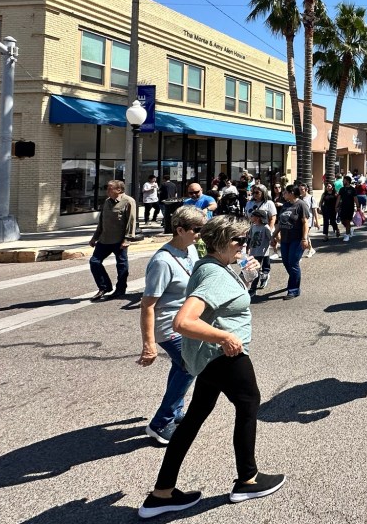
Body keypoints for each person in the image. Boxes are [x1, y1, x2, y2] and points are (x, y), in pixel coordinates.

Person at [138, 216, 285, 520]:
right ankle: (248, 479)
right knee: (247, 406)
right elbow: (183, 321)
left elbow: (222, 301)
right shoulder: (214, 273)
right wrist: (225, 336)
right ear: (222, 242)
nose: (243, 246)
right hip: (224, 354)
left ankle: (162, 492)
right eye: (239, 241)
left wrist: (244, 278)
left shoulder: (211, 266)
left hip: (207, 357)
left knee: (193, 418)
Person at [138, 205, 203, 445]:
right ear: (179, 229)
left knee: (181, 368)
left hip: (187, 322)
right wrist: (149, 345)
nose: (199, 234)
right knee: (191, 366)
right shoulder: (162, 262)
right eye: (196, 229)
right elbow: (147, 305)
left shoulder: (190, 249)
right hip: (169, 327)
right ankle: (159, 423)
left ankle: (175, 412)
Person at [88, 180, 137, 301]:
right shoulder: (106, 202)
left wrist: (127, 239)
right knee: (94, 262)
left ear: (119, 190)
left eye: (110, 188)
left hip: (119, 240)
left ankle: (120, 289)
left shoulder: (128, 201)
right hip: (104, 239)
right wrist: (95, 237)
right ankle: (104, 287)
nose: (107, 191)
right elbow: (101, 221)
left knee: (121, 265)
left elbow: (131, 222)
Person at [271, 185, 311, 300]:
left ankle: (294, 289)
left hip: (297, 239)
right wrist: (273, 236)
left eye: (285, 192)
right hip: (285, 239)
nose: (283, 194)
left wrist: (304, 239)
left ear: (292, 192)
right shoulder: (285, 205)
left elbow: (305, 223)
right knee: (286, 262)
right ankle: (294, 278)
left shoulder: (301, 205)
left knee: (293, 263)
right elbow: (280, 223)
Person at [246, 210, 272, 297]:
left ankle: (253, 289)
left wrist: (271, 244)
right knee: (253, 271)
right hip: (253, 252)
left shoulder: (265, 227)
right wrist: (247, 248)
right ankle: (262, 278)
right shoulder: (253, 227)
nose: (251, 217)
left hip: (262, 253)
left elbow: (270, 239)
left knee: (255, 271)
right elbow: (249, 238)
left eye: (252, 216)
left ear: (257, 218)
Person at [338, 175, 358, 242]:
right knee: (343, 221)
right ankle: (350, 228)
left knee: (347, 220)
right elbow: (339, 198)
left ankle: (347, 235)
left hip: (350, 207)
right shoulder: (342, 189)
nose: (343, 181)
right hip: (342, 207)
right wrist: (336, 206)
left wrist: (358, 207)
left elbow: (355, 198)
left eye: (344, 180)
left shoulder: (352, 189)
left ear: (347, 181)